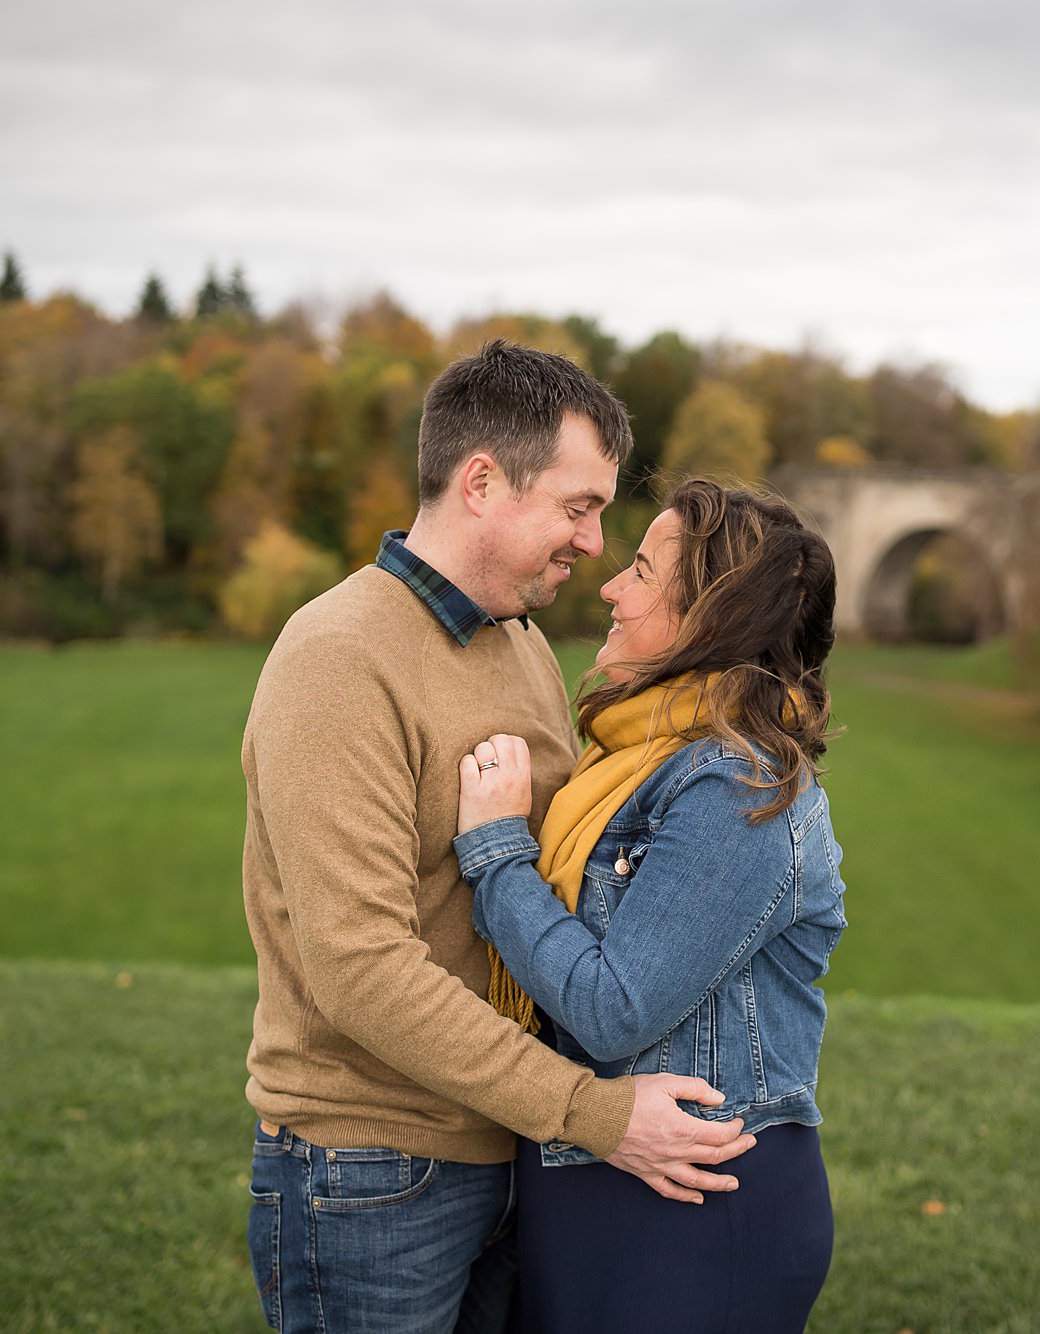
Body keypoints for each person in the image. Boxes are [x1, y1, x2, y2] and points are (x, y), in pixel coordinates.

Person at [240, 343, 755, 1334]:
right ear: (481, 481)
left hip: (511, 1151)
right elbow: (357, 967)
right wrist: (594, 1113)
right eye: (576, 507)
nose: (593, 543)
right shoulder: (338, 659)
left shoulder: (516, 639)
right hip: (370, 1173)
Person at [454, 479, 847, 1334]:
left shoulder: (737, 784)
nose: (609, 587)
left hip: (696, 1206)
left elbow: (613, 1007)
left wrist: (494, 852)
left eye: (639, 570)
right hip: (599, 1176)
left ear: (712, 618)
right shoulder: (642, 753)